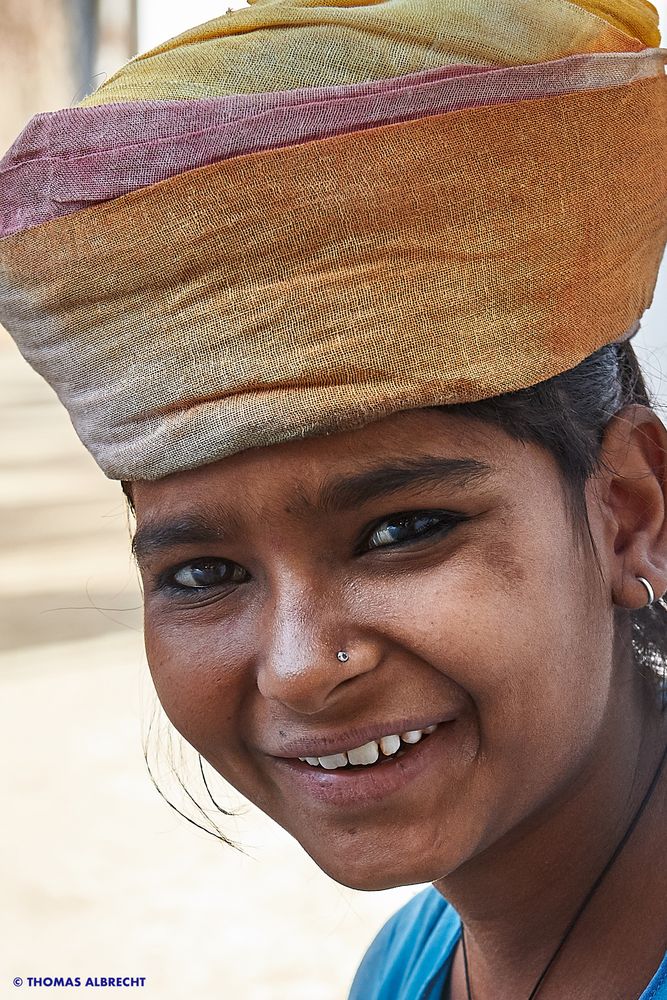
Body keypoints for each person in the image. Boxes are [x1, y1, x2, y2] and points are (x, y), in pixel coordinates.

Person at [0, 1, 666, 997]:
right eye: (204, 574)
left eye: (399, 531)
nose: (303, 667)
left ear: (628, 511)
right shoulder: (406, 967)